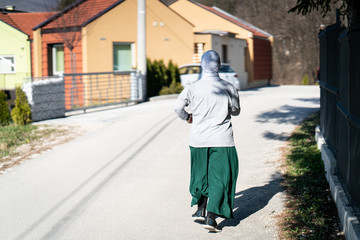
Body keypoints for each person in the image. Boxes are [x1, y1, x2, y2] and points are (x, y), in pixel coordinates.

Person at [173, 50, 240, 232]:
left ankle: (200, 209)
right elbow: (235, 111)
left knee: (200, 175)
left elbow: (177, 107)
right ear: (218, 66)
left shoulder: (192, 88)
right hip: (222, 140)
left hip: (198, 140)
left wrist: (188, 117)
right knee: (220, 178)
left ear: (202, 66)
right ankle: (211, 218)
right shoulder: (228, 87)